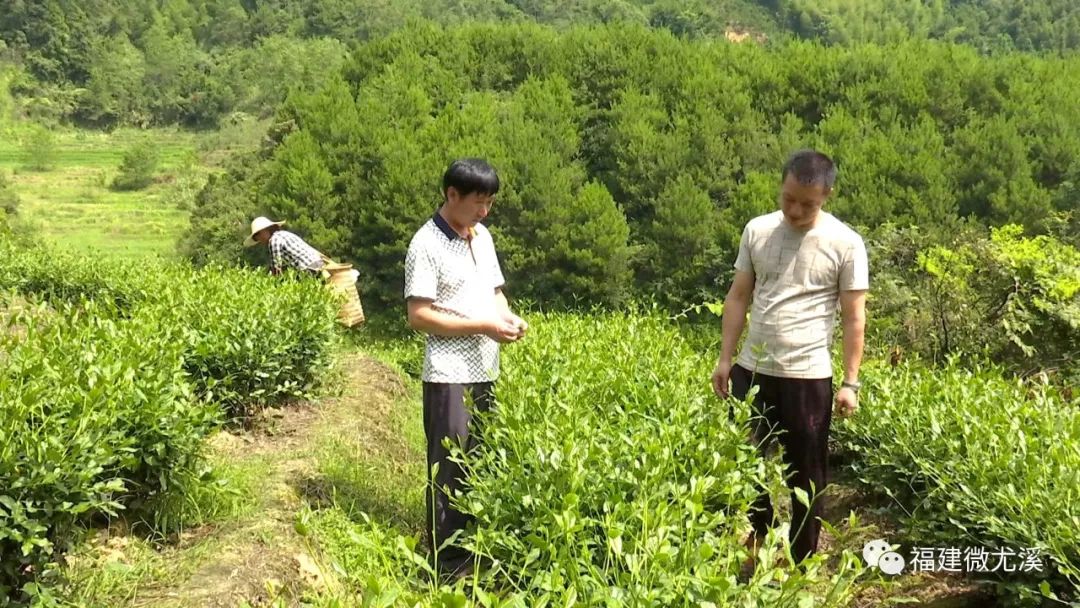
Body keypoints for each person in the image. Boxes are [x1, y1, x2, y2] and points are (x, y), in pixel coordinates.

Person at [710, 149, 868, 566]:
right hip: (752, 369)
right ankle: (757, 538)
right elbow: (738, 296)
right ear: (781, 187)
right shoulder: (757, 230)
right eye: (788, 199)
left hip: (808, 375)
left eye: (808, 203)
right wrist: (726, 359)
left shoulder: (846, 243)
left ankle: (803, 558)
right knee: (750, 462)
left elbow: (854, 318)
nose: (796, 210)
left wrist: (851, 382)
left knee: (807, 474)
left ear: (827, 195)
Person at [404, 158, 527, 579]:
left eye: (490, 202)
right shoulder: (425, 244)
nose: (484, 211)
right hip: (448, 372)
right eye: (478, 202)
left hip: (485, 368)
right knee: (450, 467)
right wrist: (483, 326)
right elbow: (418, 315)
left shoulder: (483, 237)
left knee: (481, 461)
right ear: (451, 195)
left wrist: (506, 318)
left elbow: (495, 292)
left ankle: (479, 546)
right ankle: (448, 565)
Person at [244, 216, 325, 276]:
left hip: (307, 267)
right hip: (318, 263)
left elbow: (276, 268)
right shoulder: (283, 234)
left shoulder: (274, 241)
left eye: (258, 234)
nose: (259, 239)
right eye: (256, 237)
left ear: (266, 230)